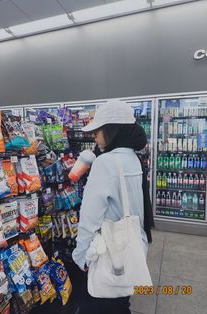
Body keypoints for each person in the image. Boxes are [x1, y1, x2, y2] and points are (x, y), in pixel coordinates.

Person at [72, 100, 154, 314]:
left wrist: (81, 257)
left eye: (98, 130)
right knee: (120, 305)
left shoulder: (105, 162)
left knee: (95, 305)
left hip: (106, 256)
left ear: (112, 130)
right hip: (128, 251)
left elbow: (89, 218)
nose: (95, 136)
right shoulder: (133, 159)